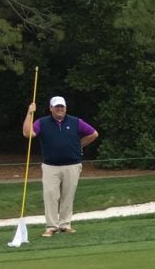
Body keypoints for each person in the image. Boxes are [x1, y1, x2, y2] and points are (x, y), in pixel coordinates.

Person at [22, 96, 99, 237]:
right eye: (56, 107)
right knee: (50, 195)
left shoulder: (75, 122)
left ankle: (65, 224)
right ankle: (51, 226)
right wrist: (29, 113)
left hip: (72, 165)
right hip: (50, 166)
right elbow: (28, 133)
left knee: (68, 196)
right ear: (51, 108)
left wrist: (79, 145)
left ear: (65, 108)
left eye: (62, 107)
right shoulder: (42, 122)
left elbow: (93, 133)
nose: (59, 109)